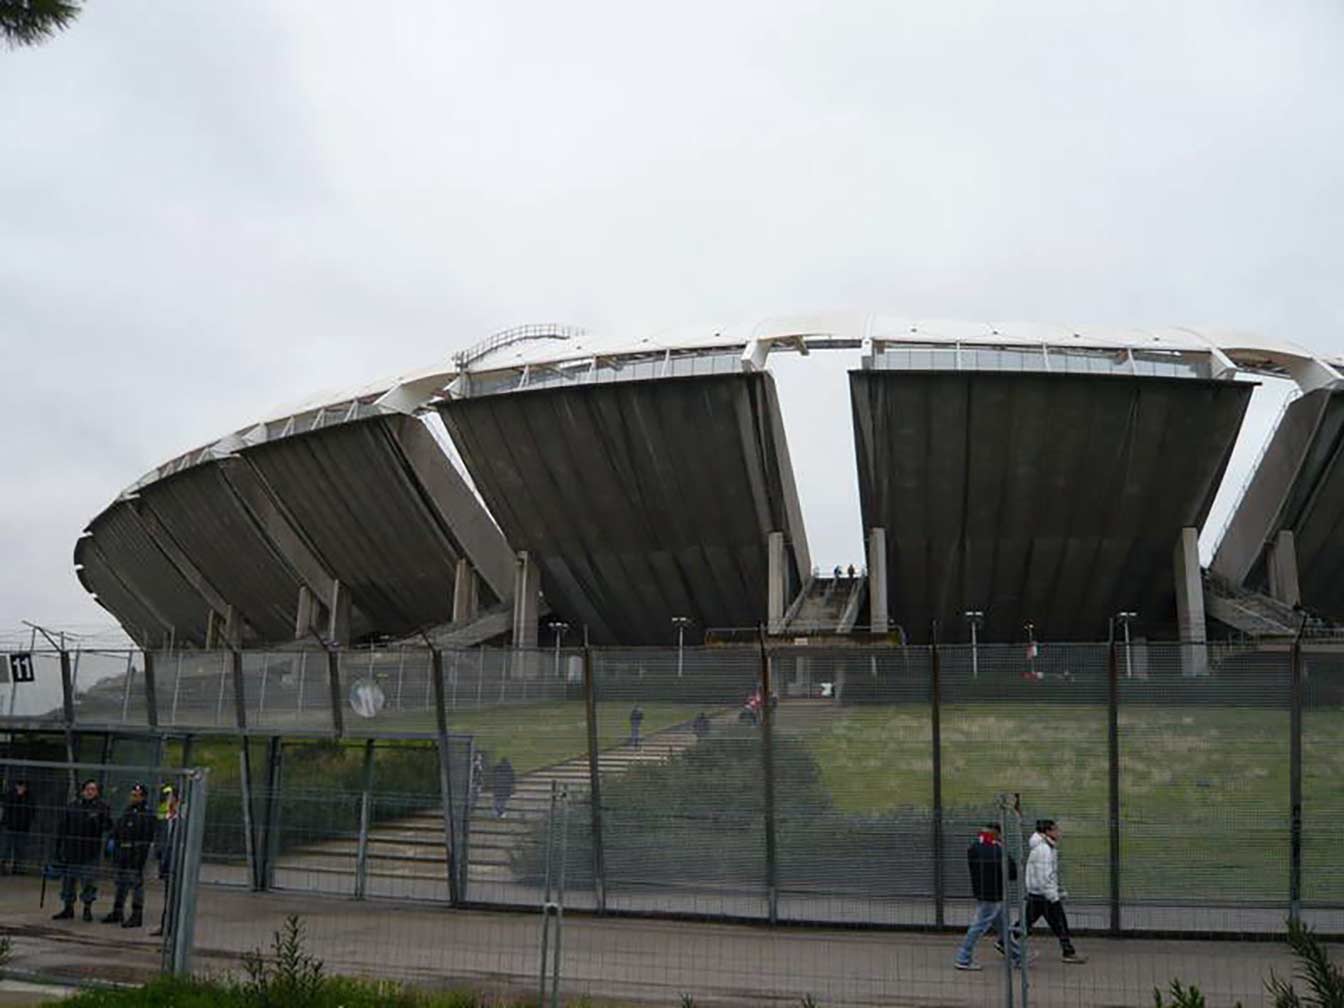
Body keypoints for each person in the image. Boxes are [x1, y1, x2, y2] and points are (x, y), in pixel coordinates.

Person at [954, 823, 1022, 971]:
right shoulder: (997, 850)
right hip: (994, 894)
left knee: (1004, 927)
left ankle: (1018, 955)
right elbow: (1012, 873)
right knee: (978, 927)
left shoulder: (974, 847)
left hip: (982, 891)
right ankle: (963, 958)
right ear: (997, 834)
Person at [1021, 819, 1086, 964]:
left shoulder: (1044, 847)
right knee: (1060, 923)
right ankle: (1068, 952)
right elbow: (1044, 875)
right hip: (1045, 896)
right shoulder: (1044, 849)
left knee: (1027, 922)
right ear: (1048, 832)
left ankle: (1005, 942)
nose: (1059, 833)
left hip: (1038, 893)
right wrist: (1053, 895)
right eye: (1056, 830)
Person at [52, 778, 112, 922]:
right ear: (82, 790)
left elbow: (108, 826)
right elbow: (62, 827)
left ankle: (87, 909)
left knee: (89, 882)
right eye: (88, 789)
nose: (90, 792)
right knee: (68, 882)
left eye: (93, 789)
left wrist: (98, 820)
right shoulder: (73, 806)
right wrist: (58, 848)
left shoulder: (101, 807)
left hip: (90, 852)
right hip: (71, 851)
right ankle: (68, 908)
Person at [103, 783, 156, 928]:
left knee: (136, 884)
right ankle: (117, 911)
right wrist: (112, 842)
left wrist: (140, 856)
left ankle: (136, 914)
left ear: (143, 797)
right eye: (132, 794)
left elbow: (146, 838)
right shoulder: (127, 811)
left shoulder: (147, 814)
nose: (132, 797)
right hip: (123, 853)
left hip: (136, 854)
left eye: (136, 795)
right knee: (120, 883)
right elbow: (118, 829)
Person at [149, 782, 180, 938]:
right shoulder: (165, 819)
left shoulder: (183, 821)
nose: (168, 801)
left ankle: (175, 928)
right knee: (168, 898)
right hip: (167, 864)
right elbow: (160, 839)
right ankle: (165, 926)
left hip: (179, 865)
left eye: (170, 798)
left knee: (177, 897)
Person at [1, 779, 36, 875]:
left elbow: (31, 810)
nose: (21, 788)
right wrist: (18, 796)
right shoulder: (10, 795)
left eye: (23, 786)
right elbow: (7, 807)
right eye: (20, 786)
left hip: (23, 828)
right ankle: (2, 867)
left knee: (20, 849)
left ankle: (17, 868)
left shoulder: (29, 797)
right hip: (10, 826)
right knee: (5, 848)